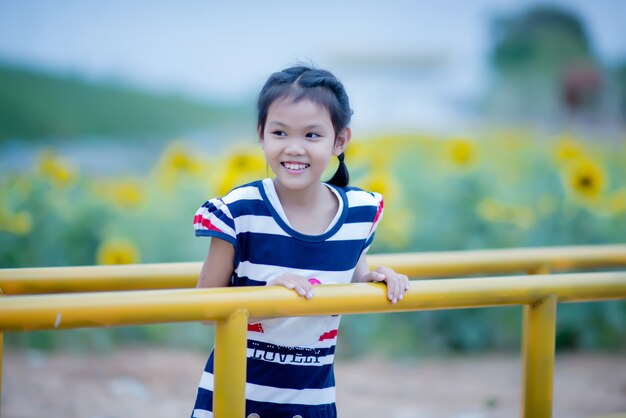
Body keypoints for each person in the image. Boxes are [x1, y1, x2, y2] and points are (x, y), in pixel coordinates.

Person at [191, 65, 410, 418]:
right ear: (261, 134)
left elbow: (350, 278)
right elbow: (204, 309)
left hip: (311, 401)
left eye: (311, 135)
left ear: (339, 141)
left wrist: (376, 280)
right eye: (280, 132)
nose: (294, 148)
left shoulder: (358, 214)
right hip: (234, 399)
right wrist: (271, 296)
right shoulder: (239, 210)